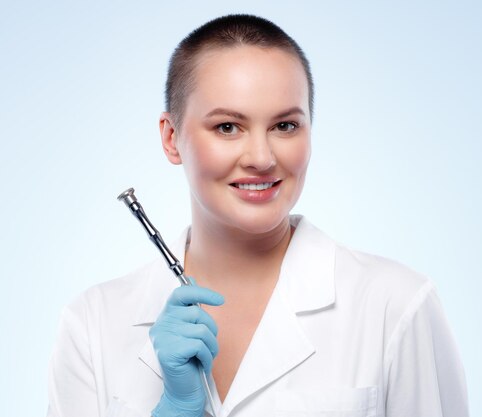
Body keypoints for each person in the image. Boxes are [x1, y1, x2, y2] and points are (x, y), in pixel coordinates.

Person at [47, 14, 469, 417]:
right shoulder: (93, 323)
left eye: (285, 126)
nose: (262, 158)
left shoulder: (395, 305)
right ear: (171, 138)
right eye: (228, 127)